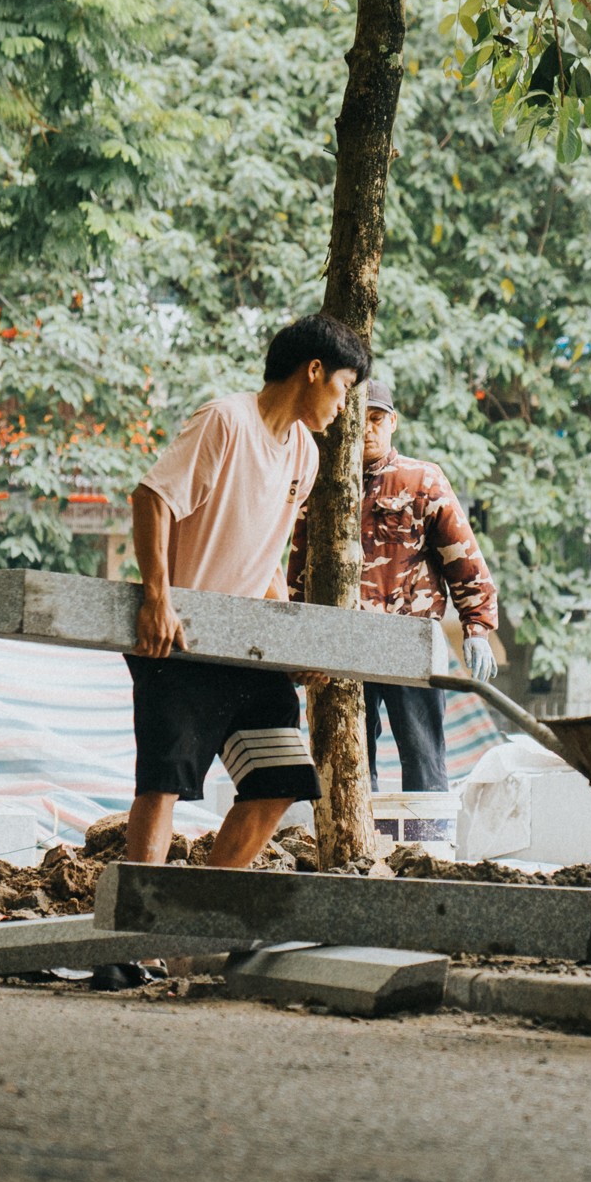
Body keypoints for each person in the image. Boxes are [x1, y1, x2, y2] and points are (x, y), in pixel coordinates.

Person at [122, 312, 369, 871]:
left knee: (280, 780)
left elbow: (268, 559)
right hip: (179, 642)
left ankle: (200, 914)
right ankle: (130, 941)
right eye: (344, 386)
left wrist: (288, 649)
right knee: (164, 784)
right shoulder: (225, 421)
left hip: (246, 650)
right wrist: (158, 599)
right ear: (313, 371)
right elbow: (151, 499)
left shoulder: (304, 453)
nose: (343, 403)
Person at [299, 379, 500, 793]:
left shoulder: (422, 480)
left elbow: (462, 556)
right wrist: (298, 637)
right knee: (348, 759)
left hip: (409, 639)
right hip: (342, 641)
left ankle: (427, 850)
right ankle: (358, 849)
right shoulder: (322, 484)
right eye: (360, 419)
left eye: (377, 419)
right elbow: (300, 565)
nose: (368, 429)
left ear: (394, 422)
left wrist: (476, 627)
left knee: (423, 755)